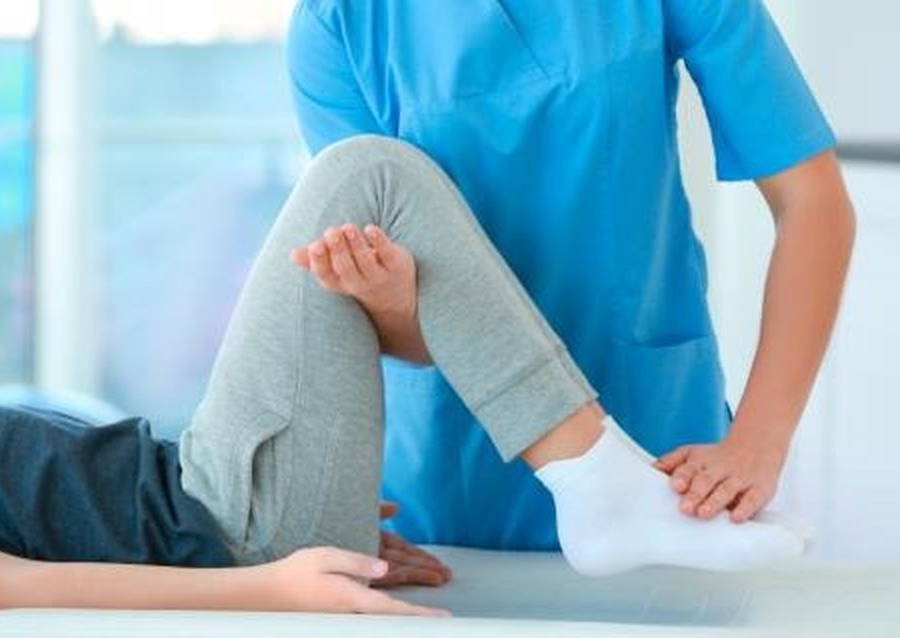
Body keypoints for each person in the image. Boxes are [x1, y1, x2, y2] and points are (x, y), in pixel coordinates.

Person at [0, 136, 807, 629]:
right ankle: (594, 480)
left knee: (371, 190)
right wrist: (269, 585)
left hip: (199, 498)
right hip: (213, 527)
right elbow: (16, 591)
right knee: (367, 179)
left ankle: (595, 478)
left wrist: (312, 500)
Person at [285, 0, 856, 550]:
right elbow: (393, 304)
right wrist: (389, 300)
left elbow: (812, 202)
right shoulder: (338, 20)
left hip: (659, 451)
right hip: (453, 477)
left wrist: (761, 439)